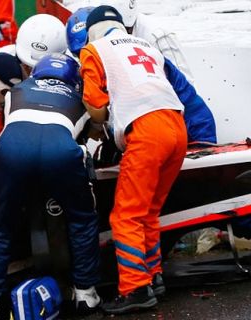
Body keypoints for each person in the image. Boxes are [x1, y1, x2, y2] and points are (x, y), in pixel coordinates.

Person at [0, 53, 101, 320]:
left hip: (13, 151)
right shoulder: (82, 99)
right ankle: (86, 295)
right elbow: (96, 138)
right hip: (60, 152)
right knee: (82, 219)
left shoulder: (15, 92)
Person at [80, 6, 187, 314]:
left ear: (92, 31)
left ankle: (135, 288)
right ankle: (154, 276)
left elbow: (95, 104)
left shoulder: (93, 50)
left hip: (147, 130)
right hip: (177, 127)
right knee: (149, 211)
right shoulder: (147, 47)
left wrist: (100, 124)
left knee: (125, 215)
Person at [65, 5, 216, 144]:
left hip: (183, 126)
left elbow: (186, 93)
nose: (83, 59)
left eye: (84, 51)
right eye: (78, 55)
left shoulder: (151, 40)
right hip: (156, 128)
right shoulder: (115, 54)